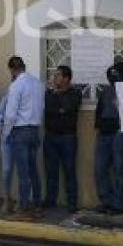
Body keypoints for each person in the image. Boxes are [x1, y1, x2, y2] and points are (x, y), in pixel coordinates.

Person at [3, 56, 46, 221]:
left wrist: (7, 133)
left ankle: (23, 209)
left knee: (23, 173)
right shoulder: (38, 83)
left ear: (12, 70)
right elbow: (41, 107)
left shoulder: (16, 86)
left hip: (20, 131)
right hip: (35, 130)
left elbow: (10, 114)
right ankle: (37, 206)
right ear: (23, 66)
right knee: (33, 170)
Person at [94, 62, 123, 215]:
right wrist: (98, 126)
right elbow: (99, 110)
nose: (112, 78)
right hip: (104, 133)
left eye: (115, 74)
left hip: (120, 132)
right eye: (110, 75)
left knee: (119, 170)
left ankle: (118, 204)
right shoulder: (106, 90)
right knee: (100, 169)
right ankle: (106, 201)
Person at [43, 65, 82, 213]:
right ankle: (50, 200)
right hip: (50, 137)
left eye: (58, 75)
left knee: (69, 171)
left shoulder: (75, 93)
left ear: (66, 78)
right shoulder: (48, 93)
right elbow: (49, 109)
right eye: (54, 75)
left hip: (68, 137)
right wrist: (59, 109)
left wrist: (59, 107)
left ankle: (72, 202)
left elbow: (69, 107)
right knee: (50, 171)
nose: (54, 78)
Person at [0, 73, 19, 215]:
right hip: (6, 138)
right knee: (6, 169)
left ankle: (21, 199)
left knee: (23, 169)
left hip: (20, 137)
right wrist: (2, 120)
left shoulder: (25, 100)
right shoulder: (7, 97)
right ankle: (6, 198)